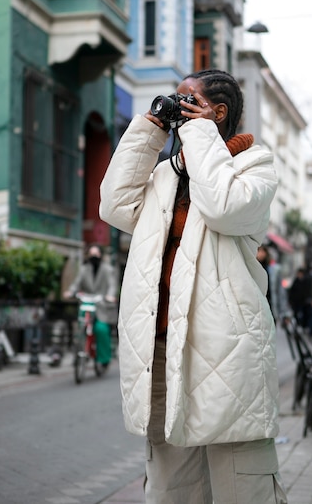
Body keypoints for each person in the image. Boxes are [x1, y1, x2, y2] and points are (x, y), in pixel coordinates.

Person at [100, 69, 288, 503]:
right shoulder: (166, 175)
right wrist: (151, 128)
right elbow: (114, 205)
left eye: (188, 101)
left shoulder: (254, 166)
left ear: (217, 112)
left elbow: (223, 206)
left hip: (227, 352)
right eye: (176, 101)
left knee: (244, 488)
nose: (178, 108)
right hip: (163, 351)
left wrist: (202, 134)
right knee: (172, 491)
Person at [64, 244, 117, 372]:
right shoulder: (84, 269)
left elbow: (112, 285)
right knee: (80, 327)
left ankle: (104, 359)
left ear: (100, 255)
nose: (93, 256)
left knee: (101, 329)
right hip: (87, 303)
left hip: (101, 304)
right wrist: (70, 292)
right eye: (91, 254)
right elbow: (76, 283)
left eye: (96, 254)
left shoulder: (107, 269)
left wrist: (110, 295)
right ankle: (79, 352)